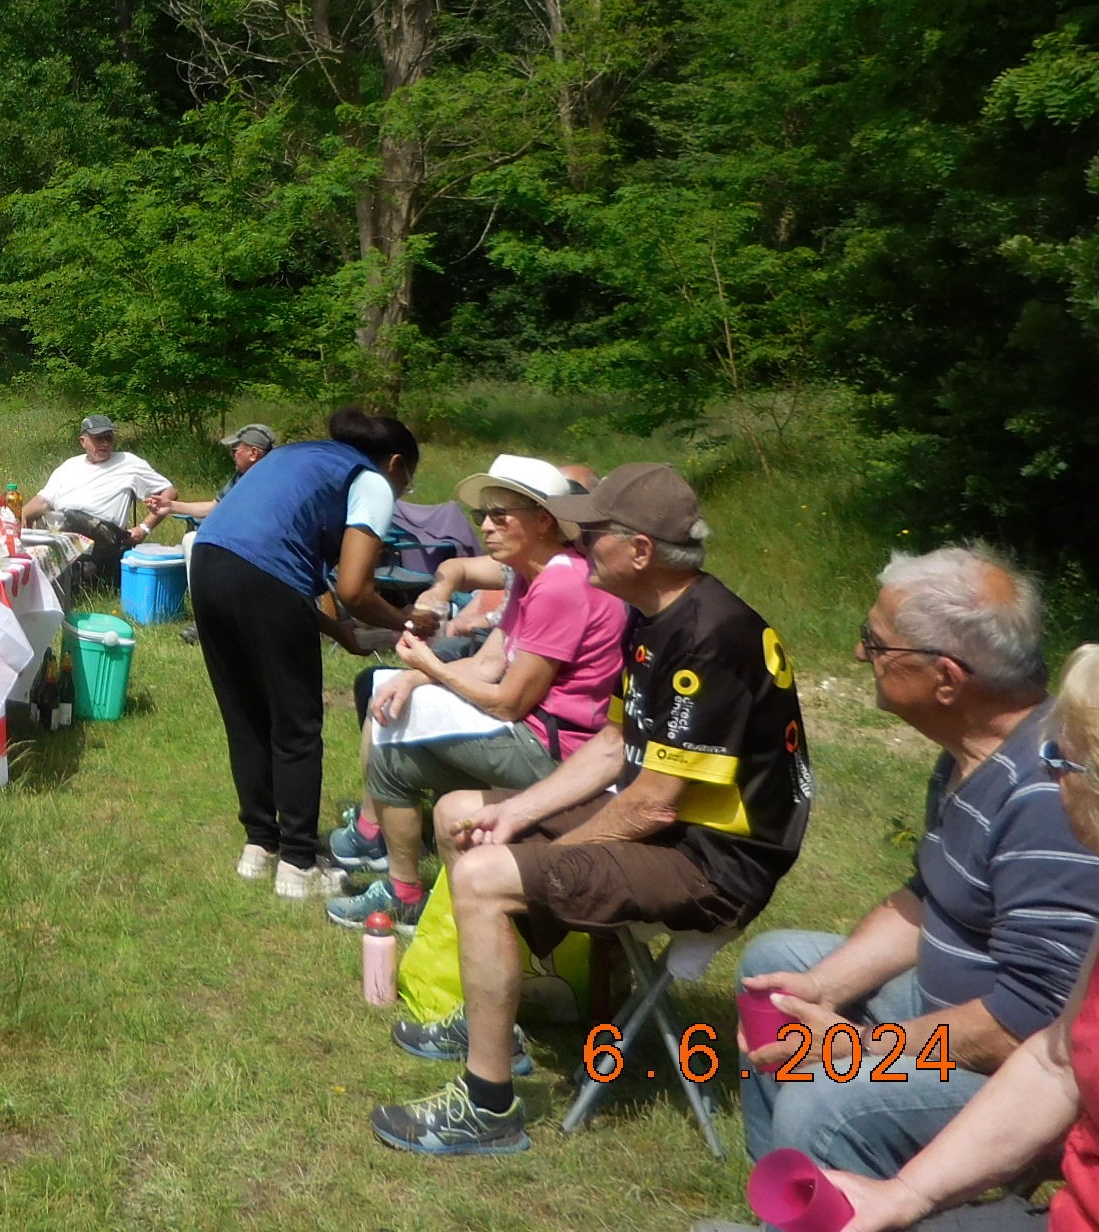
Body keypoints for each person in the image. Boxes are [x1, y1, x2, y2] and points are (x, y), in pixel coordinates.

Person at [370, 462, 812, 1157]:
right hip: (669, 828)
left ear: (640, 551)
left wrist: (538, 855)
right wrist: (518, 816)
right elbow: (613, 746)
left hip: (715, 863)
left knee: (487, 874)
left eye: (593, 532)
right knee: (464, 814)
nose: (578, 543)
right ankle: (496, 1020)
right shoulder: (655, 618)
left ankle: (487, 1109)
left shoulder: (708, 636)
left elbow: (654, 805)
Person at [690, 645, 1099, 1232]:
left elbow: (1020, 1027)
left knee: (823, 1103)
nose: (858, 650)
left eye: (1067, 759)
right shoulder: (971, 760)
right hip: (969, 1020)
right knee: (779, 968)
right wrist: (822, 988)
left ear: (948, 676)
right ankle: (790, 1207)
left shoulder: (1040, 808)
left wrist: (866, 1048)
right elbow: (1054, 1055)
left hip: (993, 1041)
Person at [325, 454, 630, 933]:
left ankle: (403, 867)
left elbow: (510, 700)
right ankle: (405, 892)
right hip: (535, 733)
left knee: (398, 728)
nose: (485, 527)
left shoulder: (561, 585)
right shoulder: (536, 576)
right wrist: (412, 677)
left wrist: (429, 667)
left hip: (561, 752)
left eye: (500, 515)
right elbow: (489, 662)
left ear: (545, 521)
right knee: (393, 747)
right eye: (481, 516)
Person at [190, 408, 427, 900]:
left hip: (208, 565)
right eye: (409, 480)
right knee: (296, 727)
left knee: (246, 718)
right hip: (261, 577)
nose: (403, 492)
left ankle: (260, 847)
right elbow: (355, 588)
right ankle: (299, 864)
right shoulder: (372, 480)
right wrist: (408, 623)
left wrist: (343, 635)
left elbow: (276, 564)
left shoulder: (299, 455)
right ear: (397, 463)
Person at [20, 415, 177, 594]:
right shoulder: (69, 466)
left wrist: (144, 528)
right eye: (98, 438)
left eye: (108, 438)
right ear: (83, 441)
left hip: (106, 533)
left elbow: (170, 492)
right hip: (66, 528)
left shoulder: (128, 462)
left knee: (65, 517)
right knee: (29, 527)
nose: (104, 443)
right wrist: (20, 515)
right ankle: (41, 577)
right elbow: (43, 501)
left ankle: (55, 572)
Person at [151, 423, 276, 647]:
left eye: (235, 450)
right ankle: (207, 617)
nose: (232, 455)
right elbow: (213, 508)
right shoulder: (240, 476)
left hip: (264, 546)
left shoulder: (273, 477)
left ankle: (222, 619)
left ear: (254, 453)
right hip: (234, 540)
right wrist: (170, 506)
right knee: (192, 540)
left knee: (205, 544)